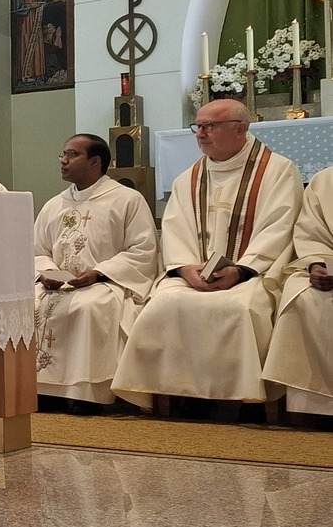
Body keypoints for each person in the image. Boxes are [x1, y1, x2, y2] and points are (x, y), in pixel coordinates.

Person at [113, 100, 302, 410]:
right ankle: (174, 397)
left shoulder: (278, 171)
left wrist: (240, 270)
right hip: (194, 274)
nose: (200, 134)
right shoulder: (188, 178)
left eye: (210, 126)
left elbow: (279, 226)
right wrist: (186, 269)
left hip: (253, 273)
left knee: (242, 308)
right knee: (162, 304)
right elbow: (175, 230)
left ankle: (244, 403)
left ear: (241, 129)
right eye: (198, 126)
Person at [34, 134, 159, 412]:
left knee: (89, 307)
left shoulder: (127, 200)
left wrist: (98, 273)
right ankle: (42, 389)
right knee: (28, 304)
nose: (63, 161)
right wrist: (46, 272)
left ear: (95, 162)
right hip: (56, 284)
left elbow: (143, 250)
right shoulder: (54, 204)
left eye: (72, 154)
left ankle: (85, 393)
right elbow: (37, 250)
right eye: (63, 154)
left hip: (105, 283)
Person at [262, 165, 333, 414]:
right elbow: (312, 235)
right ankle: (315, 407)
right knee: (303, 296)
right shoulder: (325, 180)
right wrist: (317, 264)